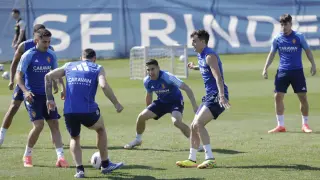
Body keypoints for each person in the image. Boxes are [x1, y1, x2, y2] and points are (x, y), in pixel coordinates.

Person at [44, 48, 124, 178]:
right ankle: (105, 164)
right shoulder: (97, 67)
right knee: (100, 129)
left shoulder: (69, 65)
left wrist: (49, 99)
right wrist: (116, 103)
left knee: (74, 137)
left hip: (69, 111)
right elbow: (103, 86)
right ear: (94, 58)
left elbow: (48, 76)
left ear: (81, 58)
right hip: (87, 110)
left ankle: (79, 170)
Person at [0, 24, 64, 147]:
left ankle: (57, 144)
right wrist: (12, 80)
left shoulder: (49, 49)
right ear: (35, 36)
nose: (45, 42)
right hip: (23, 83)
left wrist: (57, 83)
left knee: (51, 117)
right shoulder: (24, 46)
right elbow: (14, 63)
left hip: (41, 85)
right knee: (13, 107)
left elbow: (53, 70)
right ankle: (1, 135)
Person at [176, 29, 231, 169]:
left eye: (194, 41)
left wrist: (222, 96)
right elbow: (203, 68)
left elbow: (218, 77)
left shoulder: (209, 56)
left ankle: (210, 158)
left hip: (216, 95)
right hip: (209, 96)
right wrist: (194, 67)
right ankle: (192, 159)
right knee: (193, 126)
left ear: (203, 41)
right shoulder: (201, 56)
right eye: (192, 41)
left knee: (199, 123)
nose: (192, 44)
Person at [15, 29, 68, 168]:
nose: (47, 44)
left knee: (55, 124)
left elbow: (57, 73)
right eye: (44, 42)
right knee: (38, 126)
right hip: (32, 96)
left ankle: (61, 158)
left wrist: (62, 87)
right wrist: (25, 92)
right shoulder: (28, 55)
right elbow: (18, 76)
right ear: (36, 41)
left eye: (49, 42)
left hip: (48, 96)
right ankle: (27, 155)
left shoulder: (51, 54)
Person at [124, 59, 201, 151]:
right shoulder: (147, 81)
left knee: (176, 122)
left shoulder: (168, 77)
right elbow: (149, 95)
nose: (150, 72)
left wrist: (194, 106)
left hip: (175, 101)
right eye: (148, 70)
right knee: (141, 116)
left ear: (158, 68)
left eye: (152, 69)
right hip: (161, 102)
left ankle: (196, 144)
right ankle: (138, 140)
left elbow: (186, 88)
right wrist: (148, 110)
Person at [262, 14, 316, 133]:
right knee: (277, 96)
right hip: (282, 71)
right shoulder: (277, 39)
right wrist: (265, 68)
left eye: (286, 24)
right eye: (282, 24)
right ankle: (280, 125)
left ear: (291, 24)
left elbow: (308, 51)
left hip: (297, 72)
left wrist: (313, 64)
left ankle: (305, 124)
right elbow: (271, 54)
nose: (284, 27)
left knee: (302, 97)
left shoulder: (299, 37)